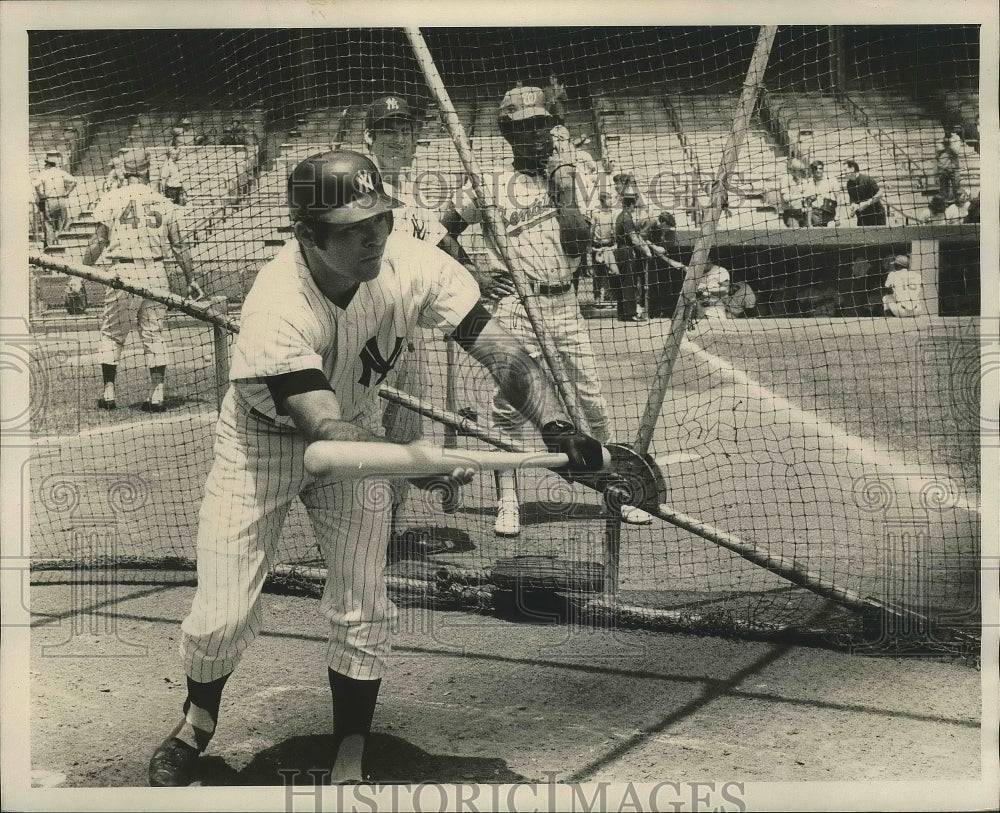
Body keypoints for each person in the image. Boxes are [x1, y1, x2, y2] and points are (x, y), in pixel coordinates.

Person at [146, 149, 608, 786]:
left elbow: (504, 350)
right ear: (307, 235)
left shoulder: (411, 264)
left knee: (364, 601)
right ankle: (195, 724)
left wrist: (558, 427)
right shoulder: (276, 304)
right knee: (222, 610)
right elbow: (324, 435)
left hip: (359, 429)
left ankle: (351, 747)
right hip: (262, 441)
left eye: (381, 219)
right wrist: (413, 461)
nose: (373, 237)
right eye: (351, 227)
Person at [441, 85, 649, 536]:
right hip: (518, 303)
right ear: (507, 134)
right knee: (509, 409)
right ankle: (508, 499)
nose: (532, 135)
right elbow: (443, 229)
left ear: (551, 128)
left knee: (592, 401)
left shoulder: (576, 177)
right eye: (521, 128)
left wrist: (565, 187)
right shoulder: (489, 183)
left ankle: (616, 487)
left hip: (565, 302)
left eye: (539, 125)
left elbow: (579, 241)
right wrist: (474, 269)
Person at [362, 94, 511, 552]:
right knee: (363, 436)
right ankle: (358, 535)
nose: (397, 139)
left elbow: (442, 240)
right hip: (359, 337)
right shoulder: (353, 186)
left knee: (404, 435)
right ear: (369, 137)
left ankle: (386, 535)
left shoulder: (410, 201)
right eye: (387, 130)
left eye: (405, 130)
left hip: (403, 340)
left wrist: (475, 274)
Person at [81, 149, 202, 412]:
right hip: (156, 272)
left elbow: (99, 241)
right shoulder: (164, 202)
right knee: (154, 333)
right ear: (148, 170)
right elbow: (179, 247)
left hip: (122, 272)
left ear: (124, 170)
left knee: (112, 334)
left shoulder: (112, 197)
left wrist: (78, 274)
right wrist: (191, 279)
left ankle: (109, 392)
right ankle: (157, 394)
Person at [613, 188, 651, 323]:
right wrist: (646, 251)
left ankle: (622, 313)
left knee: (623, 282)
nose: (634, 207)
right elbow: (634, 239)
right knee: (629, 282)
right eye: (634, 205)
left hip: (620, 251)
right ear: (630, 205)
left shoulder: (619, 216)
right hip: (627, 251)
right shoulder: (627, 218)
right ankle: (630, 314)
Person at [33, 150, 76, 248]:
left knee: (49, 223)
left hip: (50, 200)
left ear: (47, 164)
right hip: (61, 200)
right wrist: (68, 192)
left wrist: (40, 195)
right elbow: (74, 181)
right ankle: (57, 239)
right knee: (62, 221)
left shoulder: (45, 173)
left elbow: (35, 185)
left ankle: (50, 246)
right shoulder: (61, 172)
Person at [589, 192, 619, 307]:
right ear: (602, 200)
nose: (611, 201)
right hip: (597, 246)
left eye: (611, 198)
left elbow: (614, 230)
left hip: (609, 246)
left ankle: (609, 297)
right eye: (608, 198)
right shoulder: (596, 213)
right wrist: (590, 245)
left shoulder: (613, 213)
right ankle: (597, 298)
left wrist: (615, 243)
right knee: (597, 274)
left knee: (610, 273)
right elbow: (592, 230)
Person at [841, 159, 886, 226]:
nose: (843, 172)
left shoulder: (867, 179)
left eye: (845, 170)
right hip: (862, 217)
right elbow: (852, 199)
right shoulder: (849, 184)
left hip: (876, 215)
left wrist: (867, 203)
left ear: (852, 169)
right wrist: (853, 206)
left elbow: (880, 194)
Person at [801, 160, 839, 227]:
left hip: (829, 212)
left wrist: (837, 215)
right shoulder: (809, 182)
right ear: (812, 170)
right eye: (816, 168)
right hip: (815, 214)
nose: (818, 170)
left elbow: (839, 198)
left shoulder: (831, 179)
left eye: (820, 168)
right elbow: (807, 203)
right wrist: (809, 222)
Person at [777, 157, 809, 228]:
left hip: (800, 212)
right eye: (799, 171)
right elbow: (785, 198)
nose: (801, 173)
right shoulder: (785, 179)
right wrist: (802, 196)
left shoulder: (797, 180)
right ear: (793, 170)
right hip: (790, 214)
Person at [935, 135, 962, 202]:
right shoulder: (940, 137)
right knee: (943, 194)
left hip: (954, 168)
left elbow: (956, 151)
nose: (947, 129)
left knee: (957, 192)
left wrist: (949, 143)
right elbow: (938, 152)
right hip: (943, 169)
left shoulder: (956, 138)